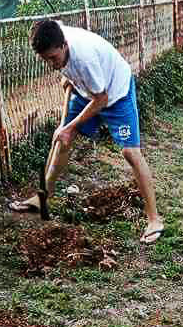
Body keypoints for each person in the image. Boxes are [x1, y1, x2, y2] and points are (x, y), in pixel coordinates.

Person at [9, 20, 164, 245]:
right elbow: (55, 30)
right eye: (45, 60)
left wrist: (70, 126)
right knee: (63, 141)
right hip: (87, 89)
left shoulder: (85, 59)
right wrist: (67, 74)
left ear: (64, 45)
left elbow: (102, 99)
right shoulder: (56, 33)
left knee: (130, 153)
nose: (51, 65)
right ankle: (43, 198)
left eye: (53, 59)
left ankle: (154, 219)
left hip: (114, 92)